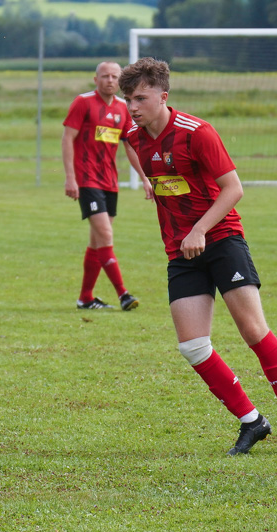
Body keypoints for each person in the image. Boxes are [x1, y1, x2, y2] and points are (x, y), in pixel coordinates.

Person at [119, 57, 277, 455]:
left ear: (163, 96)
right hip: (181, 250)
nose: (132, 107)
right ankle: (252, 421)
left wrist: (200, 229)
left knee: (254, 332)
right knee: (192, 345)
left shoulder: (198, 132)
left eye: (140, 98)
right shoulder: (137, 140)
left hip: (221, 240)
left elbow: (233, 189)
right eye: (128, 99)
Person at [62, 61, 152, 311]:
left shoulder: (124, 108)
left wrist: (145, 177)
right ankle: (123, 294)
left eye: (114, 76)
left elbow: (130, 146)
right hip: (87, 180)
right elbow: (67, 138)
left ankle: (86, 298)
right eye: (105, 76)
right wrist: (70, 177)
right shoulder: (83, 102)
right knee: (106, 234)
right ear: (95, 79)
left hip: (109, 182)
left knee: (97, 241)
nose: (109, 80)